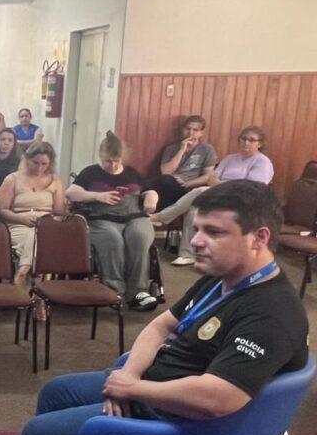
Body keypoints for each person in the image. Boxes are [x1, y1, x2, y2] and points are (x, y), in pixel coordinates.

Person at [0, 180, 309, 435]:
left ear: (259, 238)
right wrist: (129, 376)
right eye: (199, 228)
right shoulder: (225, 276)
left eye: (214, 232)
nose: (196, 241)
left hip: (181, 428)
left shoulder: (270, 313)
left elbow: (219, 399)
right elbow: (162, 325)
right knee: (56, 392)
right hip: (154, 389)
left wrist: (134, 390)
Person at [153, 126, 275, 266]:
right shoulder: (230, 158)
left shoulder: (262, 162)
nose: (246, 142)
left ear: (259, 144)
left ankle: (162, 217)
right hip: (219, 195)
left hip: (242, 201)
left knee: (198, 192)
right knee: (194, 210)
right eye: (243, 139)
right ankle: (188, 254)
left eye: (251, 140)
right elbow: (211, 178)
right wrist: (226, 184)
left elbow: (251, 188)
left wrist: (222, 184)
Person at [67, 132, 159, 311]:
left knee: (139, 237)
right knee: (113, 240)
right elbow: (71, 192)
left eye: (117, 160)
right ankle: (115, 289)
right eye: (108, 161)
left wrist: (151, 198)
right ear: (101, 157)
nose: (113, 165)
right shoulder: (91, 172)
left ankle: (138, 292)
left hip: (134, 217)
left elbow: (149, 190)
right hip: (103, 218)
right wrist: (97, 195)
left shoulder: (132, 172)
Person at [0, 142, 66, 289]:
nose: (39, 168)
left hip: (47, 225)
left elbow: (59, 212)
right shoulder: (12, 179)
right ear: (27, 159)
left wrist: (48, 223)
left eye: (44, 164)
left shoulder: (55, 181)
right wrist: (23, 219)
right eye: (35, 163)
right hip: (18, 223)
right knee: (32, 234)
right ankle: (38, 289)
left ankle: (23, 271)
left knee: (38, 234)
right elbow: (2, 210)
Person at [150, 115, 218, 210]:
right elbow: (165, 172)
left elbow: (208, 176)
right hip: (170, 183)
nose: (190, 132)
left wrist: (187, 183)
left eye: (195, 130)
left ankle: (157, 217)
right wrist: (182, 150)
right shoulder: (171, 149)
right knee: (155, 184)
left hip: (190, 188)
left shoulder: (207, 149)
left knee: (162, 183)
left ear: (201, 133)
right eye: (188, 128)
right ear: (182, 129)